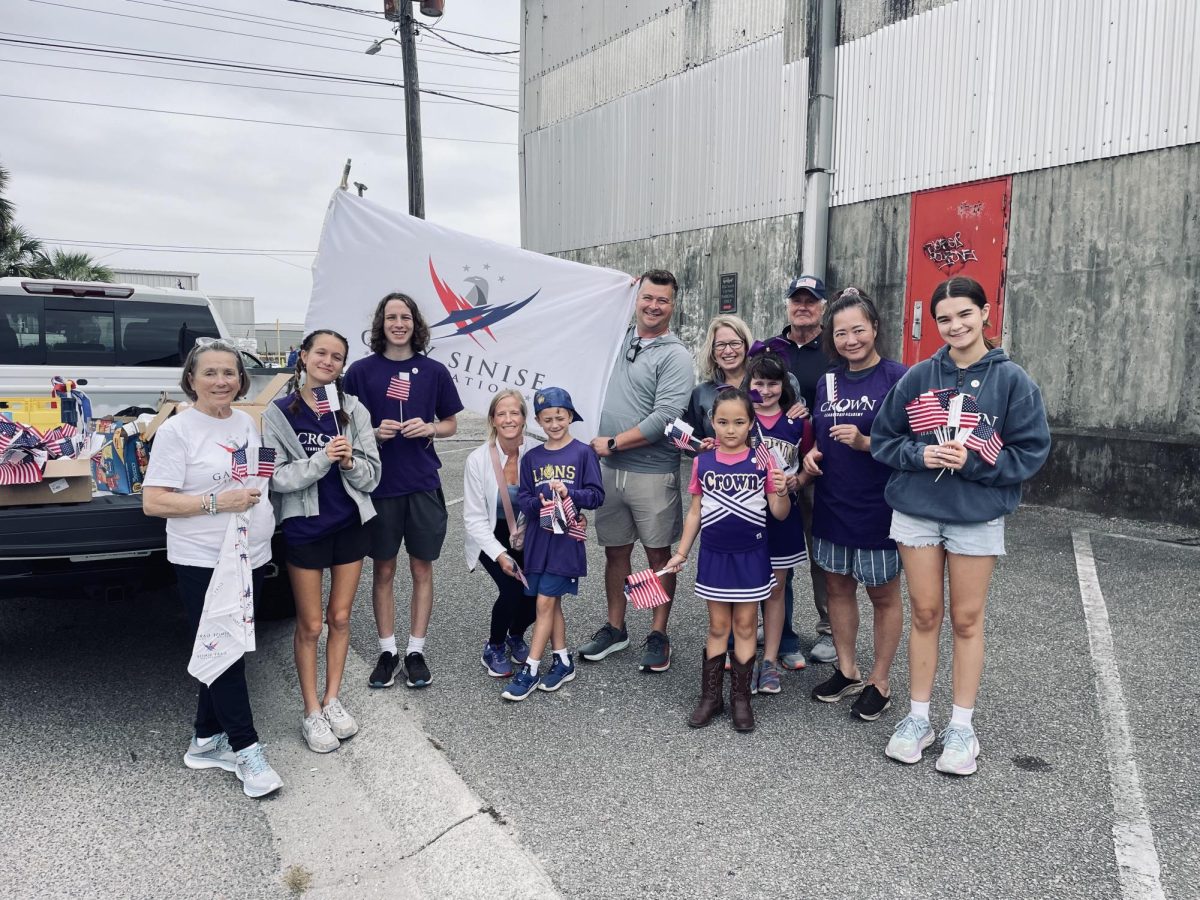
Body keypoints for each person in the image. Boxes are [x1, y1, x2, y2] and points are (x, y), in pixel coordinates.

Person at [871, 276, 1050, 776]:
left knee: (967, 619)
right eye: (944, 318)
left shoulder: (1013, 380)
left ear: (986, 313)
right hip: (917, 511)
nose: (955, 326)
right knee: (925, 615)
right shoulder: (918, 377)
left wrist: (974, 461)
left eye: (964, 314)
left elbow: (1031, 450)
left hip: (976, 515)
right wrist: (922, 452)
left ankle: (963, 727)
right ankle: (918, 718)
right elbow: (884, 440)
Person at [143, 338, 282, 799]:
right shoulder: (177, 431)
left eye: (230, 373)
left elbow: (254, 477)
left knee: (230, 648)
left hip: (251, 555)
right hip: (205, 560)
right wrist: (214, 501)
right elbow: (154, 501)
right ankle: (246, 749)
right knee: (226, 652)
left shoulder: (244, 421)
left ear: (241, 379)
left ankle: (205, 740)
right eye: (211, 373)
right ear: (191, 379)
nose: (222, 381)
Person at [261, 329, 381, 753]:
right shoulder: (277, 413)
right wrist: (321, 459)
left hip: (350, 524)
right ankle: (311, 710)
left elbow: (372, 475)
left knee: (341, 617)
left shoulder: (352, 410)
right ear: (304, 356)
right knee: (310, 625)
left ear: (342, 366)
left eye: (337, 357)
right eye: (321, 353)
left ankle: (332, 699)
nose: (328, 362)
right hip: (305, 529)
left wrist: (349, 462)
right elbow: (275, 477)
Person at [343, 292, 463, 690]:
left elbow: (450, 423)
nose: (399, 323)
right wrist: (372, 433)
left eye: (406, 317)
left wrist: (429, 427)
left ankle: (415, 650)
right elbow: (344, 427)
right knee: (384, 567)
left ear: (415, 324)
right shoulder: (361, 372)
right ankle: (387, 650)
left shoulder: (433, 371)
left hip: (422, 482)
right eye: (392, 317)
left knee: (421, 567)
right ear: (381, 323)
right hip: (379, 485)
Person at [802, 288, 907, 721]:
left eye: (858, 330)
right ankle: (847, 670)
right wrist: (808, 454)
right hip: (832, 503)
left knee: (883, 595)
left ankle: (879, 681)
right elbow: (817, 433)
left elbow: (913, 443)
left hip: (879, 508)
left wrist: (868, 443)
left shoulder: (900, 377)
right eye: (841, 332)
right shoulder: (827, 381)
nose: (850, 340)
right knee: (838, 588)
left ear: (875, 328)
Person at [584, 270, 695, 672]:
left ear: (672, 305)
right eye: (647, 297)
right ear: (637, 298)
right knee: (616, 552)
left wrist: (613, 443)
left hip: (651, 470)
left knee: (657, 555)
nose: (653, 306)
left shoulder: (675, 355)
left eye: (662, 300)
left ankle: (657, 631)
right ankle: (616, 628)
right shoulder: (618, 339)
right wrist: (612, 286)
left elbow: (666, 417)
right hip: (609, 471)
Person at [666, 388, 791, 733]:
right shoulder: (701, 461)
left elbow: (779, 513)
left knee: (746, 626)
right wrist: (681, 552)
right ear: (712, 422)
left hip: (751, 557)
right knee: (718, 626)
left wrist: (781, 489)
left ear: (751, 423)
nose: (731, 429)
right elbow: (694, 513)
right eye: (723, 422)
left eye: (739, 422)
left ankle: (741, 699)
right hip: (715, 557)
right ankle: (711, 697)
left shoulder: (764, 460)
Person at [502, 388, 605, 701]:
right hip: (538, 541)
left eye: (560, 417)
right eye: (547, 419)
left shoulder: (583, 453)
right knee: (551, 600)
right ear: (538, 421)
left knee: (544, 603)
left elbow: (597, 495)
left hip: (566, 542)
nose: (555, 423)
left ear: (570, 417)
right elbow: (525, 498)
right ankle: (561, 660)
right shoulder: (532, 457)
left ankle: (531, 668)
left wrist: (568, 495)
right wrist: (542, 503)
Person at [775, 274, 835, 668]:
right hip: (773, 465)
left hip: (815, 465)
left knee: (819, 551)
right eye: (797, 300)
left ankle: (829, 628)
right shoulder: (770, 349)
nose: (803, 306)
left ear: (823, 307)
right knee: (776, 548)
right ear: (787, 305)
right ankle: (778, 627)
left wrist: (810, 415)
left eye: (811, 301)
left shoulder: (834, 350)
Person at [746, 350, 813, 694]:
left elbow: (808, 466)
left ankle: (769, 660)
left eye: (773, 383)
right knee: (742, 587)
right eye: (759, 383)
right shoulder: (740, 418)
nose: (766, 390)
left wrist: (797, 481)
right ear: (749, 384)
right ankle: (741, 654)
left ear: (783, 385)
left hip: (782, 516)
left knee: (775, 589)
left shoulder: (797, 421)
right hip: (744, 515)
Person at [462, 389, 540, 679]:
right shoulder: (478, 459)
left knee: (534, 596)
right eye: (502, 413)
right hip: (490, 534)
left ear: (523, 418)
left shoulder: (536, 453)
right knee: (511, 591)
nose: (509, 418)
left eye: (515, 412)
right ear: (493, 420)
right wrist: (499, 553)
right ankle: (494, 646)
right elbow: (473, 518)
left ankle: (515, 635)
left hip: (529, 534)